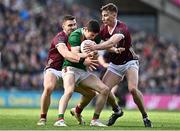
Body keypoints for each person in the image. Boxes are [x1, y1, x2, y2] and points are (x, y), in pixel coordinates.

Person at [84, 3, 152, 127]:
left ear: (114, 15)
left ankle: (145, 117)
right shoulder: (104, 29)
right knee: (104, 89)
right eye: (102, 16)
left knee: (132, 89)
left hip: (129, 62)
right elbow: (92, 38)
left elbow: (111, 42)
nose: (103, 18)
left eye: (106, 15)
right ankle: (116, 111)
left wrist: (95, 47)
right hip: (115, 64)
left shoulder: (122, 28)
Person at [37, 15, 98, 126]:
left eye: (74, 24)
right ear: (63, 26)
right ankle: (43, 118)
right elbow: (65, 54)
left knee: (91, 93)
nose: (73, 27)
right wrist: (83, 58)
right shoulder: (60, 37)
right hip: (55, 69)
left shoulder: (80, 37)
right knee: (49, 87)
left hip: (71, 70)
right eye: (70, 25)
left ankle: (77, 111)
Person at [53, 20, 110, 127]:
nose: (93, 38)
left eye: (95, 36)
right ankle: (60, 119)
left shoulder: (95, 35)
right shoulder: (75, 35)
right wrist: (89, 54)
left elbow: (104, 45)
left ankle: (94, 120)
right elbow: (74, 54)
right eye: (91, 35)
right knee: (69, 91)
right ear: (85, 30)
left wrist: (114, 49)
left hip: (83, 71)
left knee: (104, 90)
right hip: (70, 68)